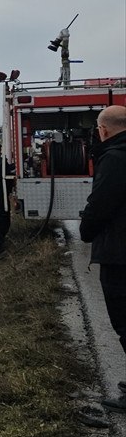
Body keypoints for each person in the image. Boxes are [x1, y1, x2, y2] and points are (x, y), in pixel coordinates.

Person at [79, 106, 126, 413]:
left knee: (124, 322)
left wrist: (86, 229)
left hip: (120, 255)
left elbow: (101, 203)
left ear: (104, 130)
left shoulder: (114, 158)